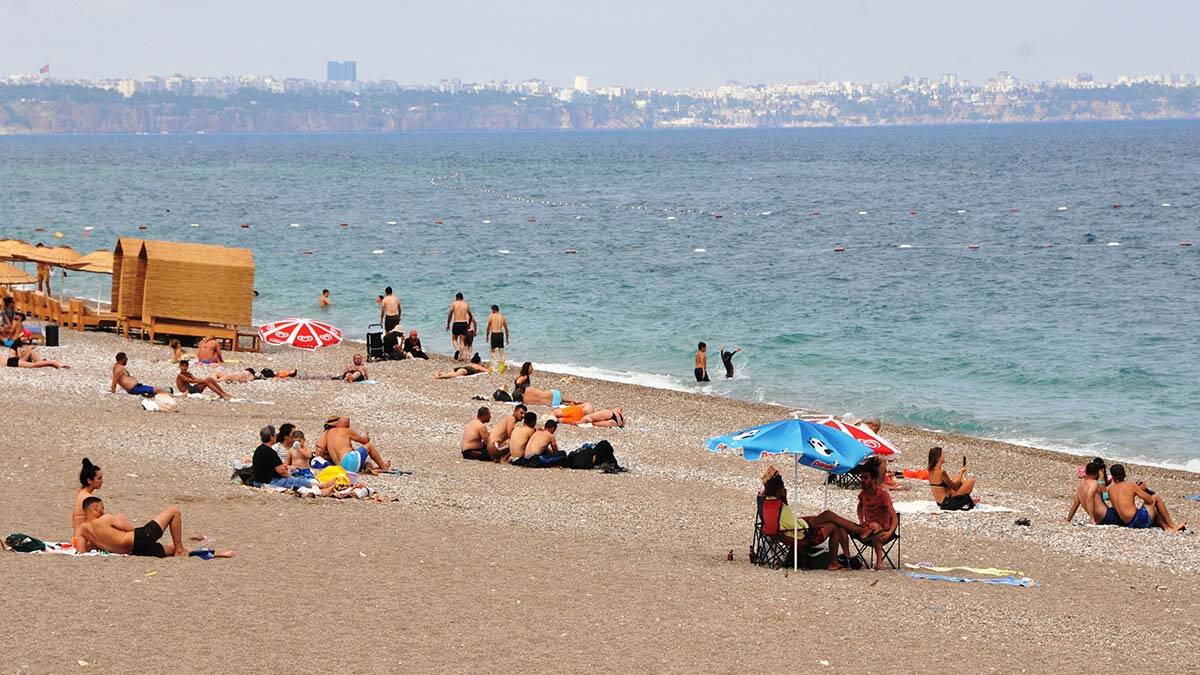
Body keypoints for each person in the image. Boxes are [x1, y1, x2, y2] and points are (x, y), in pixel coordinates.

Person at [761, 468, 864, 570]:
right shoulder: (780, 507)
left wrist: (785, 498)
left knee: (828, 517)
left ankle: (857, 533)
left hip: (788, 534)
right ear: (779, 490)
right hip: (804, 535)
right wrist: (808, 523)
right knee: (833, 524)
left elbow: (787, 522)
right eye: (783, 488)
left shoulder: (770, 504)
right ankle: (835, 560)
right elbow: (794, 526)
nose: (785, 489)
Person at [73, 497, 234, 558]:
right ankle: (180, 549)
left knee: (169, 550)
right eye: (102, 507)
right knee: (174, 511)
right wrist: (120, 517)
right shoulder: (106, 519)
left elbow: (81, 551)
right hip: (140, 538)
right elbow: (129, 528)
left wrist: (94, 543)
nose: (103, 510)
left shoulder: (82, 529)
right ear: (95, 507)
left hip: (135, 550)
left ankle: (219, 554)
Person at [1108, 464, 1186, 532]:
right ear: (1124, 475)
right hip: (1139, 521)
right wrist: (1143, 489)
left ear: (1113, 476)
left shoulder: (1110, 490)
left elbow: (1125, 500)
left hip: (1127, 523)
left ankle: (1166, 528)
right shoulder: (1131, 486)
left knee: (1156, 514)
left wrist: (1135, 492)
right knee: (1156, 497)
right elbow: (1150, 500)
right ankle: (1172, 525)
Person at [252, 425, 325, 489]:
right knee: (296, 481)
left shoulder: (259, 449)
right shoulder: (270, 452)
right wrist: (290, 477)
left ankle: (319, 487)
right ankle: (321, 486)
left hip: (257, 481)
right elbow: (281, 472)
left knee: (297, 479)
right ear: (271, 437)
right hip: (270, 481)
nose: (276, 437)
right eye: (274, 435)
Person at [316, 415, 392, 473]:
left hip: (341, 467)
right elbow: (364, 441)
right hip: (349, 461)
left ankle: (369, 468)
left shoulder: (326, 433)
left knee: (366, 462)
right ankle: (383, 467)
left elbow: (320, 450)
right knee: (369, 446)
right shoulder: (345, 430)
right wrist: (366, 438)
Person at [857, 469, 898, 570]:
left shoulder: (883, 495)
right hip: (868, 527)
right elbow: (859, 506)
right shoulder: (863, 494)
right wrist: (861, 520)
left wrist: (890, 533)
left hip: (883, 531)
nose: (862, 480)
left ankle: (879, 562)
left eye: (865, 478)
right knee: (841, 525)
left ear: (874, 480)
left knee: (876, 528)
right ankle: (847, 560)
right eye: (861, 477)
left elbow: (894, 517)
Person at [1066, 461, 1120, 525]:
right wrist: (1092, 520)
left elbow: (1076, 502)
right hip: (1105, 516)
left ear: (1086, 472)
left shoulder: (1081, 482)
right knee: (1123, 512)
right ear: (1097, 473)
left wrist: (1068, 519)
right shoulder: (1094, 483)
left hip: (1099, 518)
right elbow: (1089, 499)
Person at [927, 446, 976, 510]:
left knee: (957, 478)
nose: (944, 456)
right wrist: (961, 472)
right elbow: (955, 487)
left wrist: (960, 480)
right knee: (971, 480)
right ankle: (965, 500)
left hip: (940, 502)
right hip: (948, 503)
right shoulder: (941, 472)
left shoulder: (931, 470)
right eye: (942, 454)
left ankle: (966, 499)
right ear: (938, 458)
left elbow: (943, 487)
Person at [71, 458, 103, 531]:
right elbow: (97, 524)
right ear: (89, 480)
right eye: (99, 478)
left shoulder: (81, 492)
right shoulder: (88, 499)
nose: (102, 481)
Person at [445, 292, 474, 360]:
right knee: (462, 341)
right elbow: (471, 316)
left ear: (456, 298)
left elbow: (450, 314)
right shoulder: (466, 304)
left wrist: (448, 324)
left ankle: (457, 349)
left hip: (456, 322)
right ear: (462, 298)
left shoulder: (454, 303)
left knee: (454, 339)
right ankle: (461, 357)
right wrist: (469, 324)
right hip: (464, 323)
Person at [486, 305, 510, 369]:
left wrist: (487, 336)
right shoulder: (502, 317)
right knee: (501, 352)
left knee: (492, 351)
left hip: (494, 334)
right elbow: (506, 329)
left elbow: (488, 327)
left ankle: (497, 361)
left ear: (493, 310)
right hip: (500, 334)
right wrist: (507, 339)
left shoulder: (491, 316)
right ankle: (502, 362)